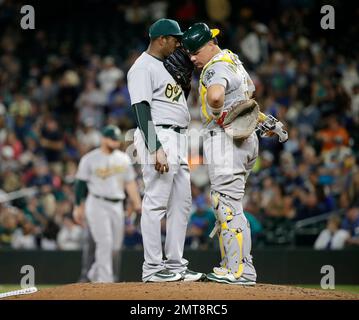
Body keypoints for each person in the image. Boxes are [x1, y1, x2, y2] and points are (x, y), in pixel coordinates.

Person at [127, 18, 205, 283]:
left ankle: (175, 264)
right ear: (162, 39)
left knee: (182, 204)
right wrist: (155, 147)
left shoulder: (165, 67)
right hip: (159, 135)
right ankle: (152, 268)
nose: (178, 43)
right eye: (175, 39)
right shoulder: (142, 67)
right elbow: (140, 108)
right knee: (155, 202)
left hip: (178, 137)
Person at [182, 22, 259, 285]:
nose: (192, 58)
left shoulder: (215, 66)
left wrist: (217, 113)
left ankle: (237, 271)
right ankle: (239, 267)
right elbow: (251, 90)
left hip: (227, 140)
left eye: (195, 52)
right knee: (230, 204)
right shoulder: (233, 59)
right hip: (244, 138)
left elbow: (215, 96)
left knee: (225, 204)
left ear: (210, 44)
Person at [73, 125, 142, 283]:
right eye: (111, 138)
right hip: (96, 203)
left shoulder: (123, 158)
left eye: (116, 139)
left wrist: (137, 204)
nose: (115, 142)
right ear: (103, 139)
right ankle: (105, 281)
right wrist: (78, 206)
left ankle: (93, 272)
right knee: (105, 242)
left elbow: (130, 184)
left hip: (117, 205)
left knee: (115, 247)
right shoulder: (90, 158)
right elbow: (80, 185)